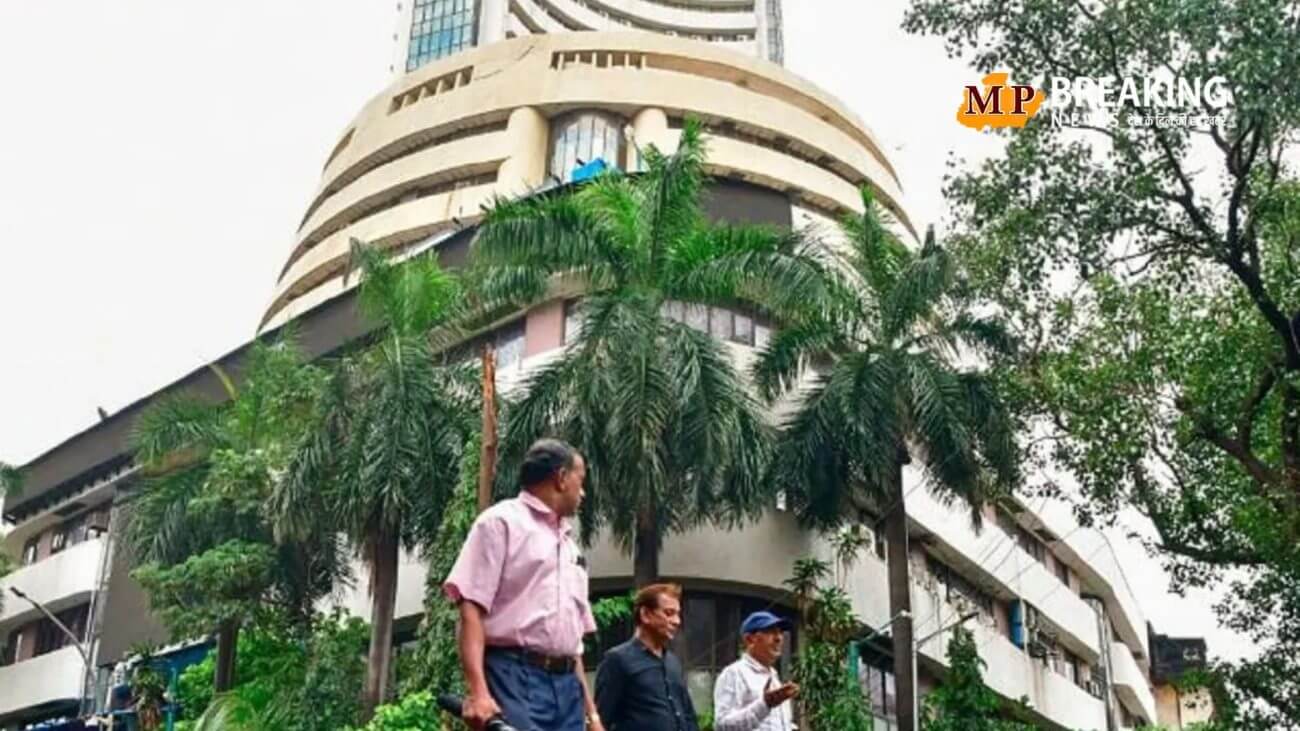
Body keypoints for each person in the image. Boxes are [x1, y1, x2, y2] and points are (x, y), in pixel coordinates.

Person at [444, 439, 604, 731]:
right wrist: (478, 692)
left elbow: (572, 644)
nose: (583, 492)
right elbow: (471, 610)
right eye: (580, 481)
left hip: (568, 688)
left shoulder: (570, 548)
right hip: (514, 677)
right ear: (561, 478)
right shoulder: (500, 523)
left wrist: (592, 716)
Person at [594, 583, 699, 731]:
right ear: (645, 615)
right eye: (669, 613)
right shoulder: (617, 660)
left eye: (678, 614)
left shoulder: (673, 662)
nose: (677, 621)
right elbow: (600, 718)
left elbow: (688, 716)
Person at [712, 611, 799, 731]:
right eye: (770, 632)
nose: (778, 638)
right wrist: (765, 704)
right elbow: (722, 726)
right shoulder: (734, 673)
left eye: (780, 632)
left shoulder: (774, 676)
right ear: (749, 639)